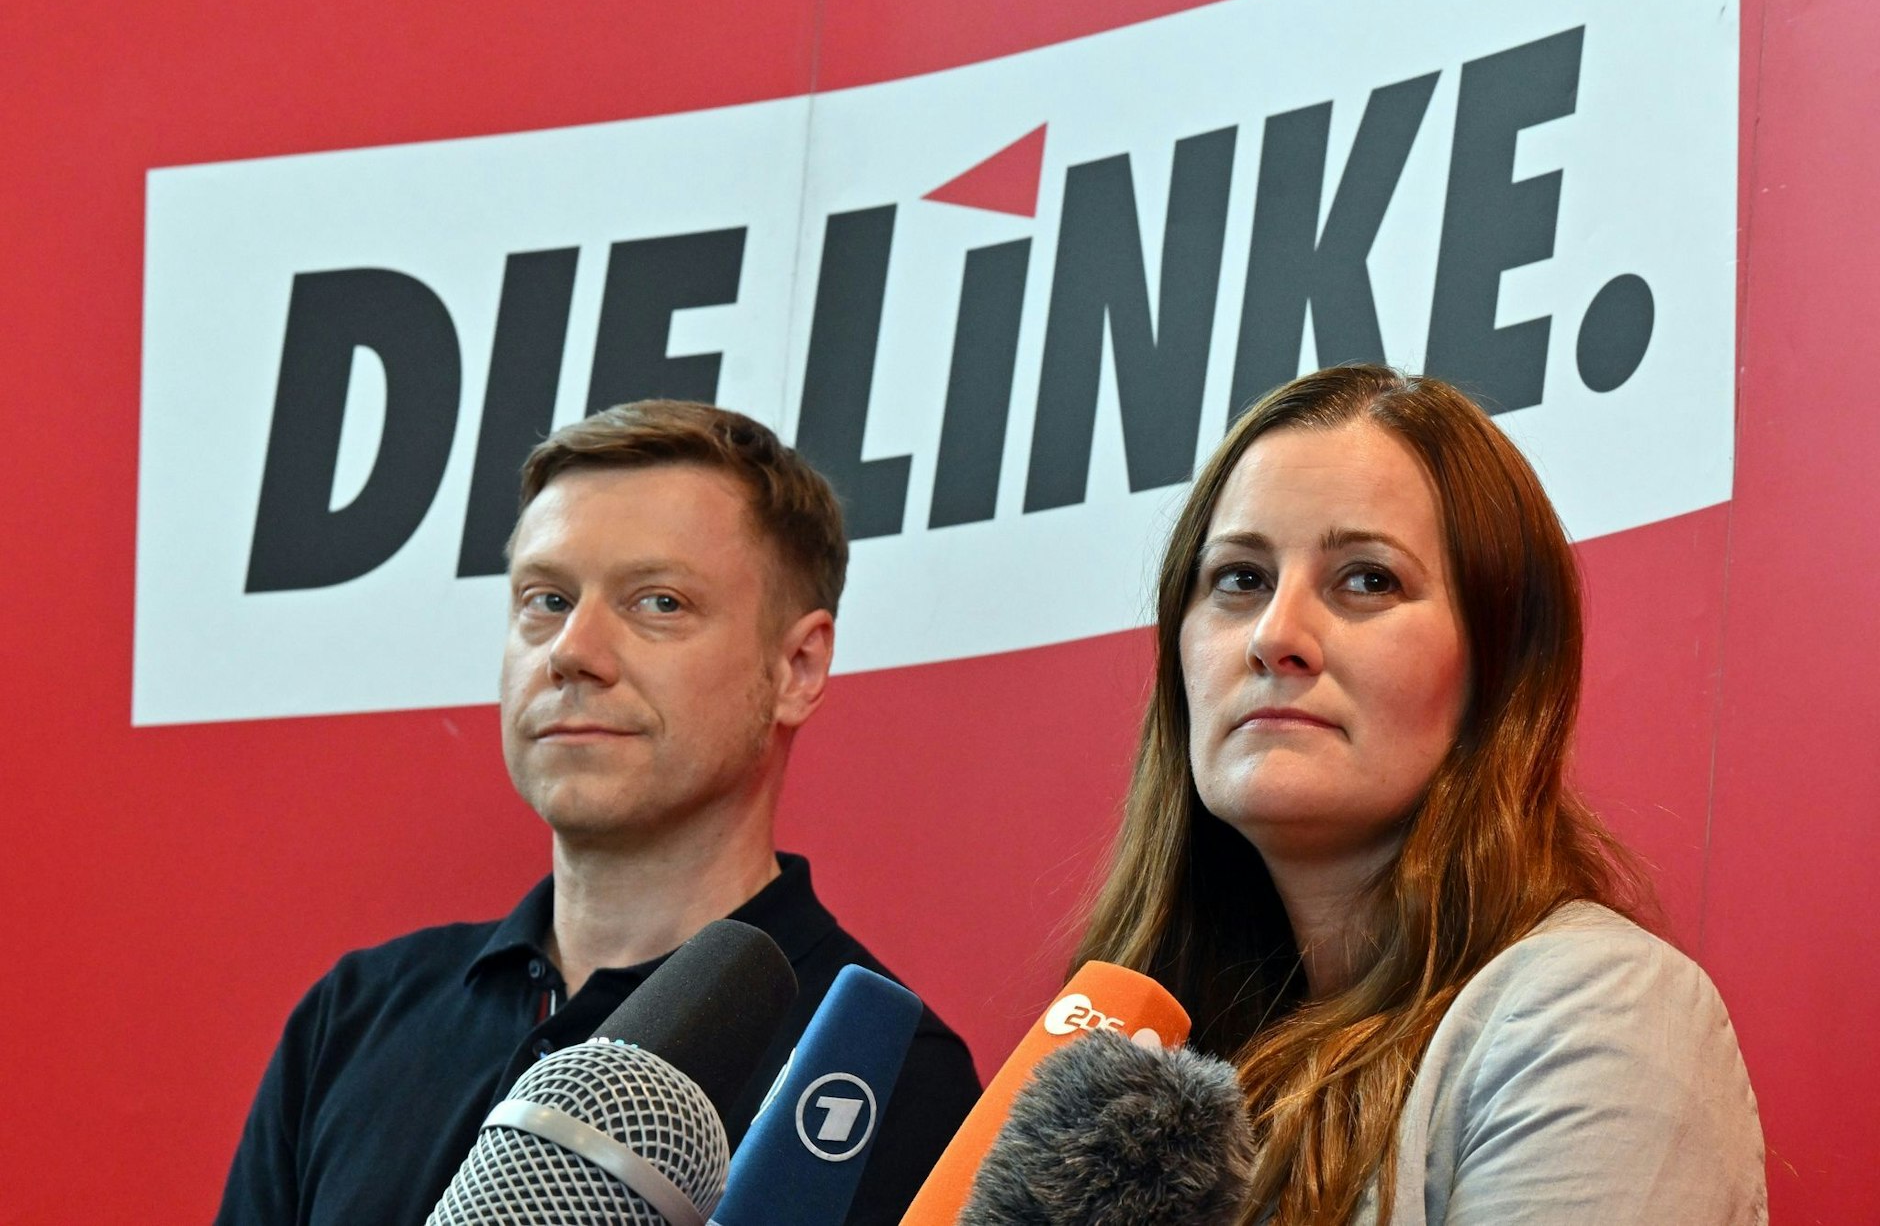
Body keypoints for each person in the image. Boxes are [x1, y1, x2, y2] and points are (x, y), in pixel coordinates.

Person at [216, 400, 981, 1226]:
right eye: (544, 600)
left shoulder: (879, 1068)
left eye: (658, 603)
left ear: (799, 666)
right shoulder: (356, 1018)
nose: (573, 652)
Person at [1072, 364, 1766, 1225]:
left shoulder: (1595, 1015)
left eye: (1367, 579)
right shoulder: (1129, 1045)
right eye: (1240, 579)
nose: (1274, 636)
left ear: (1497, 669)